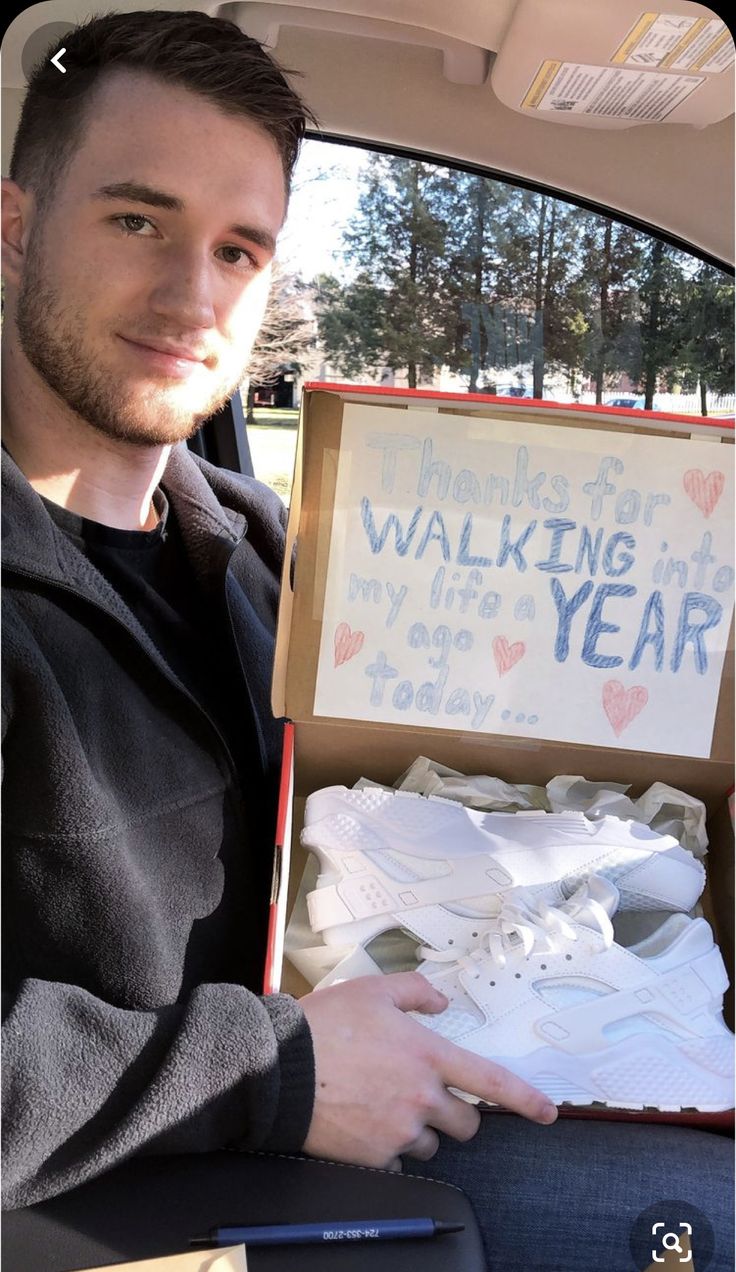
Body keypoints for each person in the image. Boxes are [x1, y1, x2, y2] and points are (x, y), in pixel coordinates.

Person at [2, 13, 732, 1269]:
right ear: (15, 228)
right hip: (164, 1197)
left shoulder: (264, 545)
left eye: (238, 250)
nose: (192, 294)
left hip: (409, 1064)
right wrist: (270, 1073)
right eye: (137, 221)